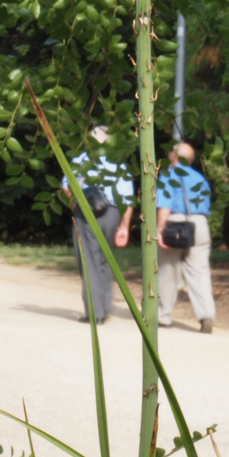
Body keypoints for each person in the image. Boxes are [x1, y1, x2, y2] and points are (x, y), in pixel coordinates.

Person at [64, 126, 134, 324]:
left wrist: (77, 203)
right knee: (104, 260)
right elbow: (128, 200)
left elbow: (66, 186)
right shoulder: (119, 164)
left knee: (88, 261)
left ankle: (95, 313)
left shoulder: (81, 160)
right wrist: (124, 226)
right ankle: (105, 306)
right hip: (112, 212)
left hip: (86, 212)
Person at [155, 140, 214, 332]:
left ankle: (164, 316)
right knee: (199, 272)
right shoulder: (200, 178)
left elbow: (165, 205)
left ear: (174, 157)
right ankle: (206, 316)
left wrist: (159, 229)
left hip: (175, 224)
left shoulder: (169, 175)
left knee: (167, 270)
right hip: (200, 224)